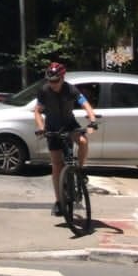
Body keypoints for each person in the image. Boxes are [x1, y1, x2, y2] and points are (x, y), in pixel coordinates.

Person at [34, 61, 98, 216]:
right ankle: (58, 201)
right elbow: (37, 111)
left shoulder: (71, 89)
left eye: (55, 81)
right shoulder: (44, 91)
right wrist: (41, 128)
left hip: (69, 125)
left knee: (83, 141)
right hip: (53, 128)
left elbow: (85, 104)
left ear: (62, 78)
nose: (52, 84)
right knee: (57, 165)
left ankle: (81, 170)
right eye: (50, 81)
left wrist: (93, 120)